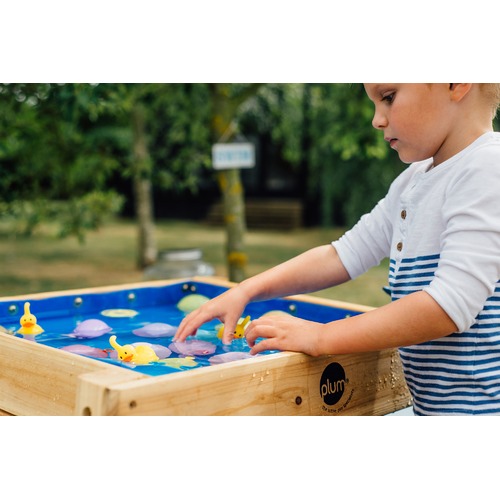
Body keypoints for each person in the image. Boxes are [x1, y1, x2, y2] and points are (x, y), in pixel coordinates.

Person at [174, 84, 500, 416]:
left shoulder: (487, 167)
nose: (376, 120)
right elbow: (343, 254)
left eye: (388, 98)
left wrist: (321, 337)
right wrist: (247, 290)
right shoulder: (412, 181)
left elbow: (448, 306)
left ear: (456, 82)